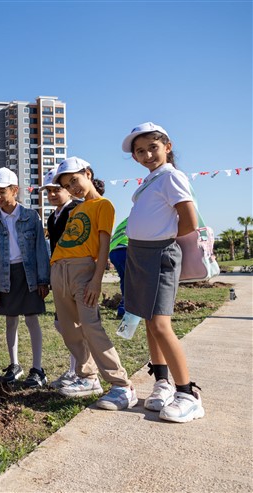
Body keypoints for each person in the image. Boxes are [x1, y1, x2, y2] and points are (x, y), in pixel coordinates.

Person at [122, 122, 204, 422]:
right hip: (141, 254)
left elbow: (189, 221)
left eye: (152, 148)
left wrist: (164, 239)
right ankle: (162, 382)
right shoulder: (151, 180)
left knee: (161, 324)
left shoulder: (171, 176)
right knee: (149, 320)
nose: (147, 155)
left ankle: (187, 394)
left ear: (167, 146)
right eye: (140, 151)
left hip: (158, 254)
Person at [50, 157, 136, 410]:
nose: (72, 187)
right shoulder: (75, 210)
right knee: (68, 328)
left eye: (74, 180)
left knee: (90, 325)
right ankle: (88, 378)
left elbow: (103, 244)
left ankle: (121, 385)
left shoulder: (103, 205)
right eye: (67, 184)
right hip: (59, 269)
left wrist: (96, 280)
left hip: (83, 270)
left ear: (88, 174)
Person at [0, 168, 51, 387]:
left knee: (32, 319)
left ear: (15, 190)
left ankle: (38, 369)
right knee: (10, 320)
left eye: (2, 191)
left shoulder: (31, 217)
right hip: (5, 275)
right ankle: (14, 365)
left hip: (28, 273)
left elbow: (41, 249)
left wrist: (43, 279)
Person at [41, 169, 90, 389]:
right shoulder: (54, 216)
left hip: (76, 272)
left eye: (57, 190)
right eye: (48, 191)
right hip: (59, 272)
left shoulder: (76, 210)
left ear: (69, 191)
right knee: (64, 325)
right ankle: (75, 369)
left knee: (75, 326)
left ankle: (81, 371)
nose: (52, 195)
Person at [108, 217, 128, 319]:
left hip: (114, 251)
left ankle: (122, 310)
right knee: (133, 282)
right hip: (126, 249)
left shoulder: (126, 219)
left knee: (125, 280)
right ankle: (125, 309)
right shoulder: (142, 217)